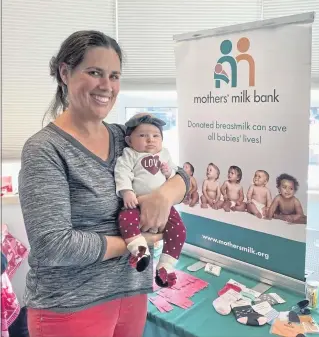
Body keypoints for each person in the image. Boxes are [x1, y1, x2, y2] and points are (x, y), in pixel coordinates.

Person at [18, 30, 190, 337]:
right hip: (70, 306)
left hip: (132, 294)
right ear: (65, 73)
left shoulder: (123, 137)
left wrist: (163, 196)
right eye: (95, 73)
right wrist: (140, 243)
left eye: (114, 76)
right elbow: (52, 245)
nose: (106, 86)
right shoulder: (45, 149)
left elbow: (186, 177)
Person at [114, 113, 186, 288]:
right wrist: (127, 192)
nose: (150, 140)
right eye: (143, 136)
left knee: (179, 229)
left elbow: (177, 175)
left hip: (164, 206)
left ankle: (165, 266)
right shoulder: (130, 154)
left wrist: (168, 172)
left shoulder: (165, 154)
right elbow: (122, 172)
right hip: (136, 203)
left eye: (155, 136)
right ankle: (140, 251)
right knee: (125, 220)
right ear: (129, 141)